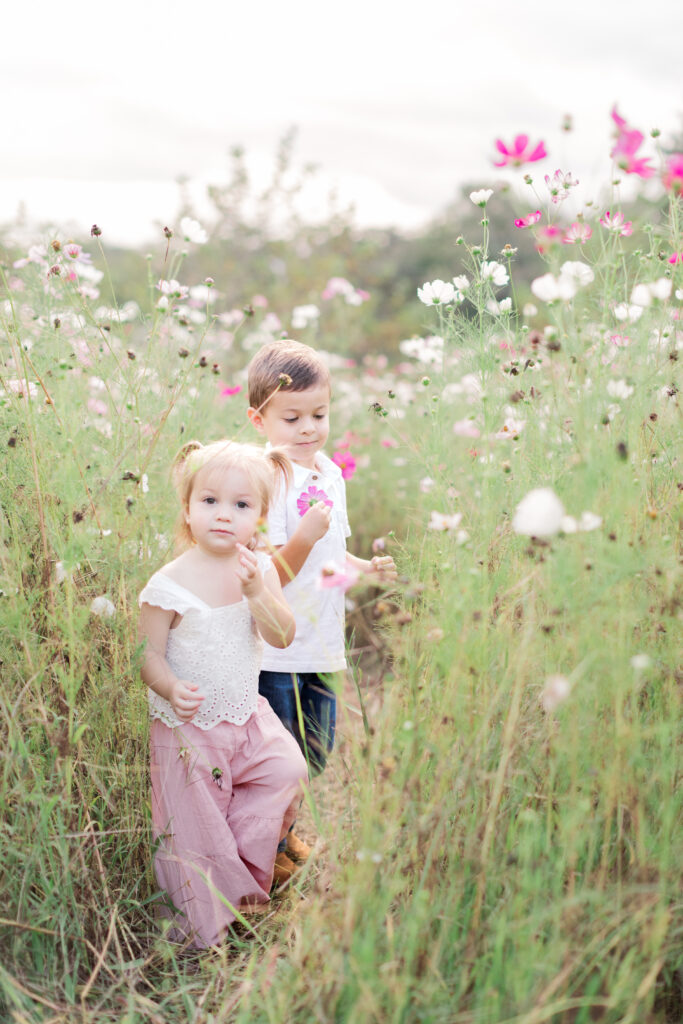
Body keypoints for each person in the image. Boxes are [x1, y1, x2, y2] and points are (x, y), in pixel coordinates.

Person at [138, 439, 308, 949]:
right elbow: (145, 655)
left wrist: (258, 592)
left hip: (246, 717)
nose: (222, 514)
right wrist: (169, 686)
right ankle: (208, 920)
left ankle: (246, 875)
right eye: (208, 501)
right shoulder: (168, 582)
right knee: (197, 822)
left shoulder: (256, 569)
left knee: (286, 770)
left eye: (241, 505)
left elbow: (282, 636)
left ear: (259, 516)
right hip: (187, 727)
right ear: (187, 509)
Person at [246, 339, 397, 881]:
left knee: (316, 751)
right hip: (278, 648)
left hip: (324, 643)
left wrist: (364, 569)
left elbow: (333, 558)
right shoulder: (264, 479)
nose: (308, 428)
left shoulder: (330, 473)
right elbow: (270, 574)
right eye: (292, 417)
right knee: (279, 758)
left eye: (319, 414)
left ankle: (280, 836)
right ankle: (269, 848)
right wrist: (306, 538)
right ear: (259, 419)